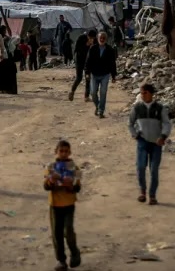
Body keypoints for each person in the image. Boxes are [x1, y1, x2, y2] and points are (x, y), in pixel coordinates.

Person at [128, 83, 172, 205]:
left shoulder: (159, 108)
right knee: (141, 167)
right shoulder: (137, 108)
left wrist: (163, 136)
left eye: (145, 93)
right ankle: (142, 192)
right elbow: (130, 124)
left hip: (156, 142)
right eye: (141, 93)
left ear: (151, 93)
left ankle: (152, 195)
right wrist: (135, 134)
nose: (143, 95)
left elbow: (167, 123)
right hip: (142, 141)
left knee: (154, 170)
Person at [44, 140, 82, 270]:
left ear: (70, 152)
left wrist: (70, 184)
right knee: (57, 234)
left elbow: (78, 187)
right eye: (61, 151)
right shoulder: (51, 167)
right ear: (56, 152)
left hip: (69, 204)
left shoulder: (74, 167)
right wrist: (51, 180)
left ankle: (74, 252)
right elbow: (45, 186)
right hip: (54, 205)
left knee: (68, 230)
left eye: (66, 151)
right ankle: (61, 260)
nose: (64, 154)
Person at [84, 31, 117, 119]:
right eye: (100, 38)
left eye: (103, 38)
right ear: (97, 39)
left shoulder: (110, 50)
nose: (102, 39)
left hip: (105, 74)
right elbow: (88, 61)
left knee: (103, 93)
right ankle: (98, 106)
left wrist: (113, 76)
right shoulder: (93, 48)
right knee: (93, 93)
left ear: (106, 39)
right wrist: (87, 73)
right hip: (94, 74)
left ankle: (101, 110)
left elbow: (112, 63)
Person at [68, 30, 96, 102]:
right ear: (88, 36)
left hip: (87, 62)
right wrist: (86, 45)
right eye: (90, 38)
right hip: (79, 61)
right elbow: (77, 50)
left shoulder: (94, 41)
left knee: (88, 78)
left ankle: (86, 96)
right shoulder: (81, 38)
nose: (91, 39)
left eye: (93, 38)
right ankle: (72, 91)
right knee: (79, 77)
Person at [0, 25, 18, 95]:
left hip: (5, 59)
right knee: (5, 74)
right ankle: (7, 89)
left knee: (3, 74)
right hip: (6, 59)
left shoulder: (3, 38)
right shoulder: (2, 38)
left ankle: (4, 89)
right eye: (4, 30)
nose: (5, 32)